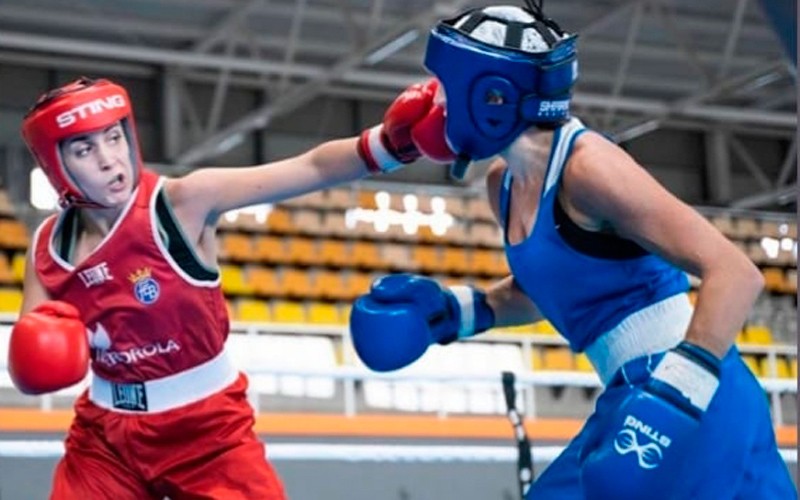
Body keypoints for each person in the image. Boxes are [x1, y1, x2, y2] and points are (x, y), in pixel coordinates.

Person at [349, 3, 797, 499]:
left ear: (491, 95)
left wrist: (674, 397)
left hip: (690, 395)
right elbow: (547, 291)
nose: (438, 104)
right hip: (631, 391)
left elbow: (735, 273)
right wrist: (455, 313)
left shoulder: (589, 167)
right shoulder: (503, 183)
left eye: (449, 88)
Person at [7, 75, 454, 499]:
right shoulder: (49, 247)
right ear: (56, 165)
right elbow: (28, 363)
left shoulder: (182, 202)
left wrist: (394, 144)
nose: (109, 158)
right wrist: (41, 355)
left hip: (207, 433)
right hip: (104, 437)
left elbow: (308, 166)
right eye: (84, 148)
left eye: (114, 137)